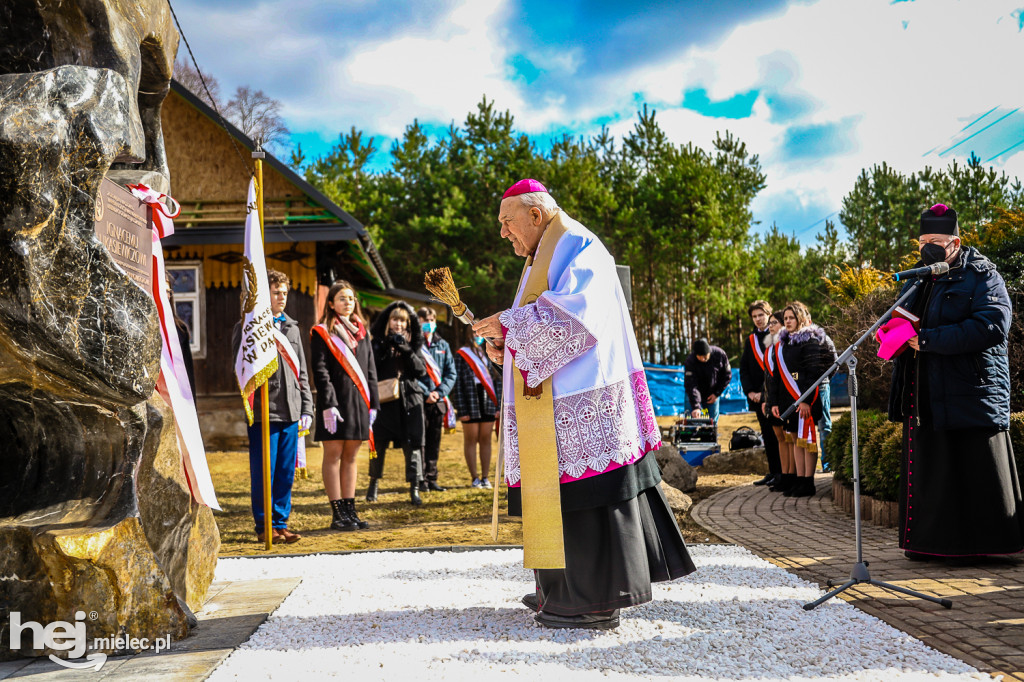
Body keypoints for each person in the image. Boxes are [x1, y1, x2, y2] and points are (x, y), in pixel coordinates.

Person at [472, 178, 695, 631]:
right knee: (558, 499)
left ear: (535, 214)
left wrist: (509, 326)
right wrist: (507, 344)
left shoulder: (578, 245)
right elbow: (538, 321)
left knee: (587, 498)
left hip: (584, 404)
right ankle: (558, 589)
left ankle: (593, 600)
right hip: (556, 403)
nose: (502, 233)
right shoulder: (544, 254)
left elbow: (576, 314)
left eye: (506, 222)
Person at [887, 204, 1024, 561]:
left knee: (971, 471)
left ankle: (986, 547)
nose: (926, 248)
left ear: (955, 242)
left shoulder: (983, 275)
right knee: (936, 468)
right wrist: (893, 336)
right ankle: (931, 545)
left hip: (971, 393)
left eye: (935, 241)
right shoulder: (921, 279)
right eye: (921, 242)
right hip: (928, 393)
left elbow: (992, 325)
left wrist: (930, 340)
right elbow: (907, 320)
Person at [231, 269, 313, 543]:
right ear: (265, 296)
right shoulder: (247, 326)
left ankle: (281, 522)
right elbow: (240, 369)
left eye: (285, 293)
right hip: (264, 411)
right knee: (264, 471)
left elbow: (302, 372)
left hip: (290, 409)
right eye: (276, 293)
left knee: (285, 472)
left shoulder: (292, 327)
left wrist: (307, 408)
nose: (282, 298)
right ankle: (264, 525)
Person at [310, 281, 379, 531]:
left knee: (351, 457)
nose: (347, 302)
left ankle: (350, 510)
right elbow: (321, 371)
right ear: (331, 303)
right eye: (341, 298)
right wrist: (328, 403)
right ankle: (337, 512)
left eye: (350, 298)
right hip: (336, 404)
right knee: (333, 455)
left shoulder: (363, 331)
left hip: (359, 402)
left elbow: (370, 370)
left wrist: (374, 404)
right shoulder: (322, 332)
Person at [766, 302, 833, 498]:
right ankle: (799, 479)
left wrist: (805, 400)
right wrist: (775, 402)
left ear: (801, 319)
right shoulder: (783, 343)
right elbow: (777, 375)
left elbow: (813, 373)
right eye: (785, 318)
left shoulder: (810, 340)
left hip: (805, 400)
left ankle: (807, 482)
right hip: (788, 400)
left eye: (791, 318)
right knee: (795, 440)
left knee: (807, 441)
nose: (787, 321)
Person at [369, 301, 430, 506]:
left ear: (408, 323)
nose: (398, 323)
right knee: (378, 444)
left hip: (410, 399)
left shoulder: (413, 343)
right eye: (395, 319)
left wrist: (406, 350)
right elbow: (372, 368)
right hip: (385, 400)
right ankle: (373, 484)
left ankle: (414, 488)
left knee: (412, 444)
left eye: (402, 320)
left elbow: (421, 371)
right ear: (388, 320)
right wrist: (387, 346)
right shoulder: (377, 342)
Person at [451, 335, 502, 488]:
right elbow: (457, 382)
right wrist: (461, 408)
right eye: (475, 333)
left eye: (481, 334)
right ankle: (475, 478)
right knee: (471, 439)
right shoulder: (462, 354)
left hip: (488, 397)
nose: (478, 337)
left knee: (486, 439)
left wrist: (498, 405)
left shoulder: (489, 352)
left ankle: (485, 478)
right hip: (470, 398)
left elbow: (497, 379)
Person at [739, 300, 781, 487]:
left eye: (761, 315)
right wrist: (750, 392)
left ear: (769, 314)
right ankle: (772, 471)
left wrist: (765, 394)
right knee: (766, 434)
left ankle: (783, 472)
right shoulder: (750, 340)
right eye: (754, 316)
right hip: (757, 396)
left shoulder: (778, 336)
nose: (758, 319)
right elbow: (744, 368)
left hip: (774, 395)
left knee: (779, 434)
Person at [416, 306, 457, 492]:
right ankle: (420, 479)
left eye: (431, 320)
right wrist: (426, 393)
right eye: (424, 320)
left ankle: (432, 478)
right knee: (420, 440)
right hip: (420, 400)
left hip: (438, 401)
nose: (428, 324)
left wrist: (439, 393)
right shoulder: (413, 344)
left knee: (434, 440)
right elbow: (410, 374)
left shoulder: (443, 344)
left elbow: (451, 373)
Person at [762, 311, 795, 493]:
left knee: (790, 439)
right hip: (772, 399)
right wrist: (765, 399)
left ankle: (791, 476)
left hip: (785, 399)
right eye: (770, 323)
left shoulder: (787, 345)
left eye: (774, 322)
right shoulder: (769, 347)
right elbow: (768, 376)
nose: (770, 326)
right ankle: (784, 475)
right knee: (780, 439)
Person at [684, 338, 730, 422]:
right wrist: (696, 406)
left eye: (705, 357)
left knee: (711, 424)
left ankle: (710, 433)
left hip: (712, 393)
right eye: (700, 357)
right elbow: (691, 384)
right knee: (690, 422)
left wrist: (717, 393)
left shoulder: (720, 355)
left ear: (709, 352)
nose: (703, 359)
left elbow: (726, 376)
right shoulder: (690, 361)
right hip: (694, 393)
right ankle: (690, 431)